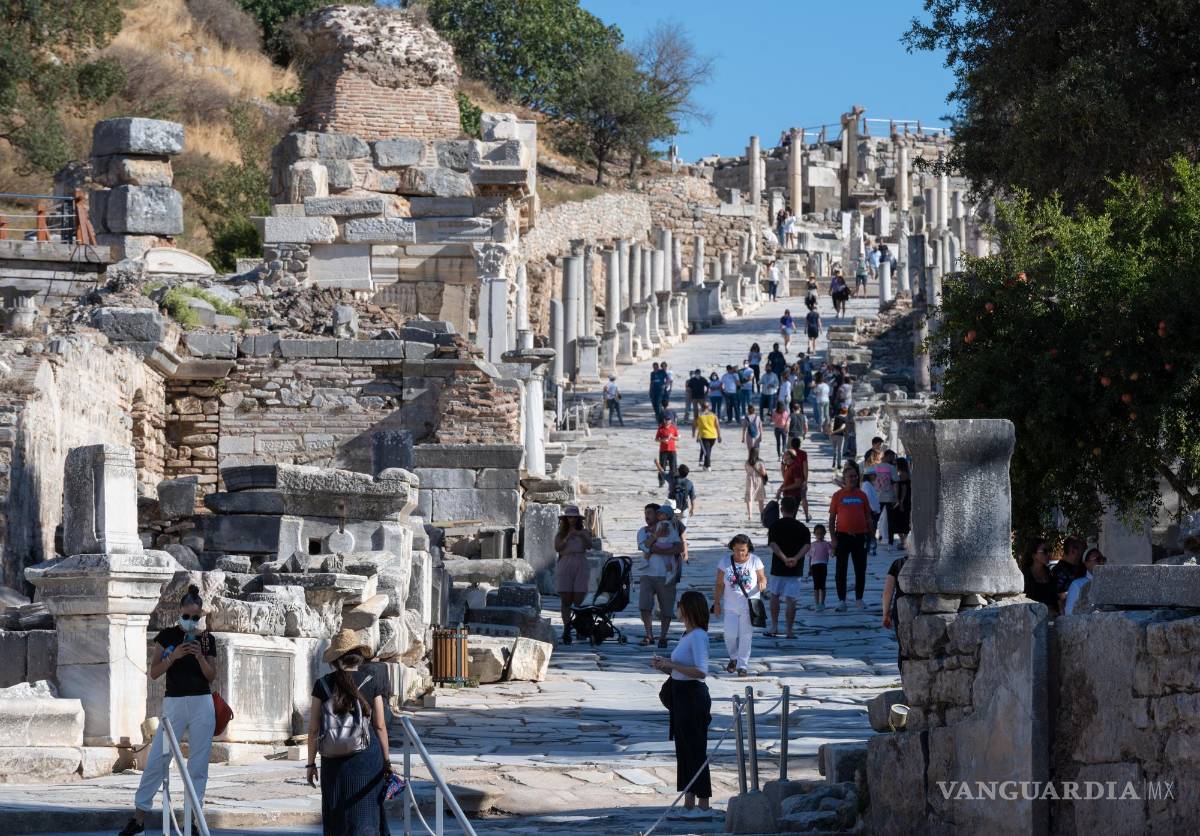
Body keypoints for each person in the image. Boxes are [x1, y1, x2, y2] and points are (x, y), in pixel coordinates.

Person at [120, 585, 217, 836]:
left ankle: (192, 821)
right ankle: (139, 817)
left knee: (198, 765)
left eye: (195, 617)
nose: (190, 621)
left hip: (201, 702)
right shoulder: (166, 636)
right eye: (187, 616)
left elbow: (211, 675)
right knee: (158, 759)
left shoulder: (207, 639)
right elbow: (154, 672)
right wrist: (172, 658)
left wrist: (199, 657)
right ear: (180, 612)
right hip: (174, 701)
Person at [306, 630, 392, 836]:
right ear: (358, 655)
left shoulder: (323, 684)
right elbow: (380, 725)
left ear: (335, 659)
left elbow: (313, 728)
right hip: (367, 759)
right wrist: (387, 761)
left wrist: (310, 763)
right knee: (367, 813)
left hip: (333, 760)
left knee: (337, 816)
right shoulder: (372, 680)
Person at [650, 590, 712, 820]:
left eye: (679, 605)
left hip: (693, 698)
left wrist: (671, 663)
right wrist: (664, 666)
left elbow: (701, 671)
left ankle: (703, 802)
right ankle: (688, 801)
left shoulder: (698, 636)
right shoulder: (687, 634)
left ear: (687, 609)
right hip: (681, 696)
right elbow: (680, 669)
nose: (676, 608)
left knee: (695, 750)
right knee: (684, 750)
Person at [713, 534, 767, 677]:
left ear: (748, 548)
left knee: (746, 635)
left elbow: (762, 577)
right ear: (732, 548)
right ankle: (734, 657)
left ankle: (742, 665)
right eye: (737, 550)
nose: (740, 553)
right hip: (730, 605)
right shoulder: (725, 562)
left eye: (743, 550)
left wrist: (762, 584)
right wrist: (716, 602)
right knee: (729, 634)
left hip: (749, 605)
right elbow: (719, 584)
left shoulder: (755, 561)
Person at [830, 462, 872, 611]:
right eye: (850, 476)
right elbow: (832, 518)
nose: (853, 479)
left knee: (860, 569)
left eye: (855, 476)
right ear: (844, 478)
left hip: (860, 536)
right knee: (841, 569)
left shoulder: (862, 495)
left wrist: (871, 537)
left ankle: (859, 599)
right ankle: (842, 600)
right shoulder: (837, 496)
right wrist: (833, 539)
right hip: (842, 536)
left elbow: (868, 516)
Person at [766, 496, 810, 638]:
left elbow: (773, 544)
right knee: (791, 599)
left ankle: (774, 626)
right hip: (795, 569)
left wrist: (784, 558)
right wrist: (795, 558)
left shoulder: (775, 526)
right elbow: (807, 546)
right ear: (796, 509)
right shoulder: (802, 528)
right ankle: (789, 630)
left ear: (781, 509)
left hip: (778, 568)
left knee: (775, 596)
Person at [639, 503, 682, 648]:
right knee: (644, 606)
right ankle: (649, 635)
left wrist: (656, 549)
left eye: (650, 513)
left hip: (666, 574)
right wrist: (656, 536)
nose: (647, 516)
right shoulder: (642, 531)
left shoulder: (671, 529)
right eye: (645, 513)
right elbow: (643, 546)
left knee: (667, 608)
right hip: (647, 574)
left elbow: (678, 547)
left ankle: (663, 636)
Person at [554, 506, 592, 644]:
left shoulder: (584, 532)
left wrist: (581, 535)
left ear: (578, 518)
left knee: (579, 598)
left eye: (574, 517)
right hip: (565, 563)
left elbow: (589, 546)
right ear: (565, 519)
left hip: (580, 562)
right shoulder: (561, 534)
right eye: (569, 517)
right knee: (566, 599)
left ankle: (579, 626)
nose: (572, 519)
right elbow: (558, 548)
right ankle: (567, 628)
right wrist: (568, 537)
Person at [777, 436, 810, 522]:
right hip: (799, 481)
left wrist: (785, 482)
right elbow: (805, 467)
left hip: (794, 487)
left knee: (791, 514)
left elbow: (782, 468)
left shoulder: (790, 458)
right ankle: (807, 515)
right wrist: (806, 480)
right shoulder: (802, 454)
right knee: (803, 498)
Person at [1064, 547, 1106, 615]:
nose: (1101, 562)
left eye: (1103, 559)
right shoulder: (1077, 585)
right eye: (1097, 559)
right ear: (1087, 563)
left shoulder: (1108, 583)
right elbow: (1069, 613)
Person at [1021, 539, 1058, 613]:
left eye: (1050, 550)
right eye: (1045, 551)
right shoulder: (1024, 576)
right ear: (1034, 555)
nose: (1049, 554)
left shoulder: (1051, 574)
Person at [1051, 536, 1088, 611]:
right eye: (1083, 550)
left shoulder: (1082, 567)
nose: (1084, 553)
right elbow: (1059, 596)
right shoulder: (1059, 571)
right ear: (1073, 551)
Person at [801, 524, 832, 610]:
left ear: (824, 534)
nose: (819, 535)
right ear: (814, 534)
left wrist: (834, 548)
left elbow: (831, 554)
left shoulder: (826, 544)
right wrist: (809, 568)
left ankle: (822, 603)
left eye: (821, 533)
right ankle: (817, 603)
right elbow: (810, 557)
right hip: (814, 566)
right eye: (817, 533)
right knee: (816, 586)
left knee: (822, 585)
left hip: (823, 565)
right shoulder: (812, 545)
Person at [692, 401, 721, 471]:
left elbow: (694, 425)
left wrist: (693, 433)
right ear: (709, 407)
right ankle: (705, 465)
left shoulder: (699, 416)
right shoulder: (714, 415)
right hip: (713, 436)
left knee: (706, 452)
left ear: (701, 407)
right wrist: (719, 436)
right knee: (708, 451)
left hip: (704, 436)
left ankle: (708, 465)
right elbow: (717, 426)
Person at [890, 457, 912, 549]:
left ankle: (903, 542)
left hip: (902, 500)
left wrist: (900, 502)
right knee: (904, 521)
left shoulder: (902, 475)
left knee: (899, 520)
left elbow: (904, 489)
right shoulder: (907, 474)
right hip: (906, 500)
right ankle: (904, 541)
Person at [743, 447, 768, 522]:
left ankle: (750, 515)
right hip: (758, 480)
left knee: (749, 497)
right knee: (760, 498)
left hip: (749, 480)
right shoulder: (760, 462)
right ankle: (762, 514)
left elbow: (747, 470)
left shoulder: (747, 462)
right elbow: (763, 472)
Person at [655, 414, 679, 488]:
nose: (667, 421)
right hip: (663, 450)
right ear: (664, 420)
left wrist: (672, 437)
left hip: (672, 450)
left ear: (671, 420)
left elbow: (678, 438)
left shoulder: (673, 428)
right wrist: (662, 440)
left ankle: (674, 481)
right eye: (666, 420)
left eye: (669, 420)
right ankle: (661, 481)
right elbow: (656, 439)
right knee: (662, 466)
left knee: (673, 467)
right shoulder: (661, 428)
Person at [862, 472, 881, 556]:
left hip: (873, 511)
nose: (875, 476)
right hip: (871, 511)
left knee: (871, 531)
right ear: (869, 475)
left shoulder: (869, 484)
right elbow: (868, 498)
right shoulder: (866, 485)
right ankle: (869, 548)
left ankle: (869, 547)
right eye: (874, 475)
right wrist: (873, 509)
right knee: (871, 531)